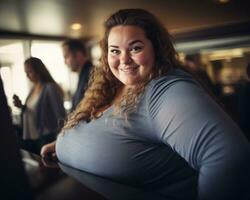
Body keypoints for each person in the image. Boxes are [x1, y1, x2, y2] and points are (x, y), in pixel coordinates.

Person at [41, 9, 250, 199]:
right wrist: (62, 144)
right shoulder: (110, 86)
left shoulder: (163, 90)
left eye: (135, 48)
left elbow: (229, 157)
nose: (124, 59)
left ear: (156, 49)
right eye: (115, 50)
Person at [13, 57, 65, 154]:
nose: (27, 76)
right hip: (32, 136)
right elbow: (34, 111)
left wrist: (62, 136)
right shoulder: (33, 88)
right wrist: (21, 106)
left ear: (39, 70)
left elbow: (60, 114)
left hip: (46, 136)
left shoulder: (50, 87)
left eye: (30, 72)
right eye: (26, 73)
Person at [62, 39, 93, 110]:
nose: (65, 62)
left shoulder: (91, 74)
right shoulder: (84, 74)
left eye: (66, 57)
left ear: (78, 55)